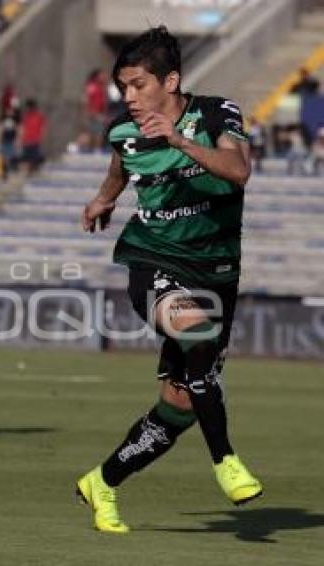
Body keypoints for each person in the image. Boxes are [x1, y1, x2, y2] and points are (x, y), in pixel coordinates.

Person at [78, 26, 262, 534]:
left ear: (172, 80)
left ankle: (102, 482)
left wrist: (178, 140)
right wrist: (104, 199)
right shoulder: (124, 130)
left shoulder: (216, 113)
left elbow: (238, 170)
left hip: (218, 269)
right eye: (123, 88)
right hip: (152, 258)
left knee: (178, 407)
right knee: (196, 333)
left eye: (138, 86)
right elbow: (122, 164)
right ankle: (225, 459)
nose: (129, 97)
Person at [19, 98, 46, 174]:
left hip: (34, 140)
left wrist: (41, 137)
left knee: (34, 157)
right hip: (26, 141)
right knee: (27, 158)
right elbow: (22, 128)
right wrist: (21, 139)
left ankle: (33, 169)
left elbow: (42, 128)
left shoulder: (39, 116)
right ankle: (29, 171)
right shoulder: (25, 116)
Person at [84, 69, 109, 152]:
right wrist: (92, 113)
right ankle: (94, 149)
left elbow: (103, 103)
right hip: (94, 114)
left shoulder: (101, 87)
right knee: (95, 132)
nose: (104, 77)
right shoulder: (92, 87)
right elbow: (87, 101)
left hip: (99, 114)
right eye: (102, 75)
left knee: (98, 132)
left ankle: (95, 149)